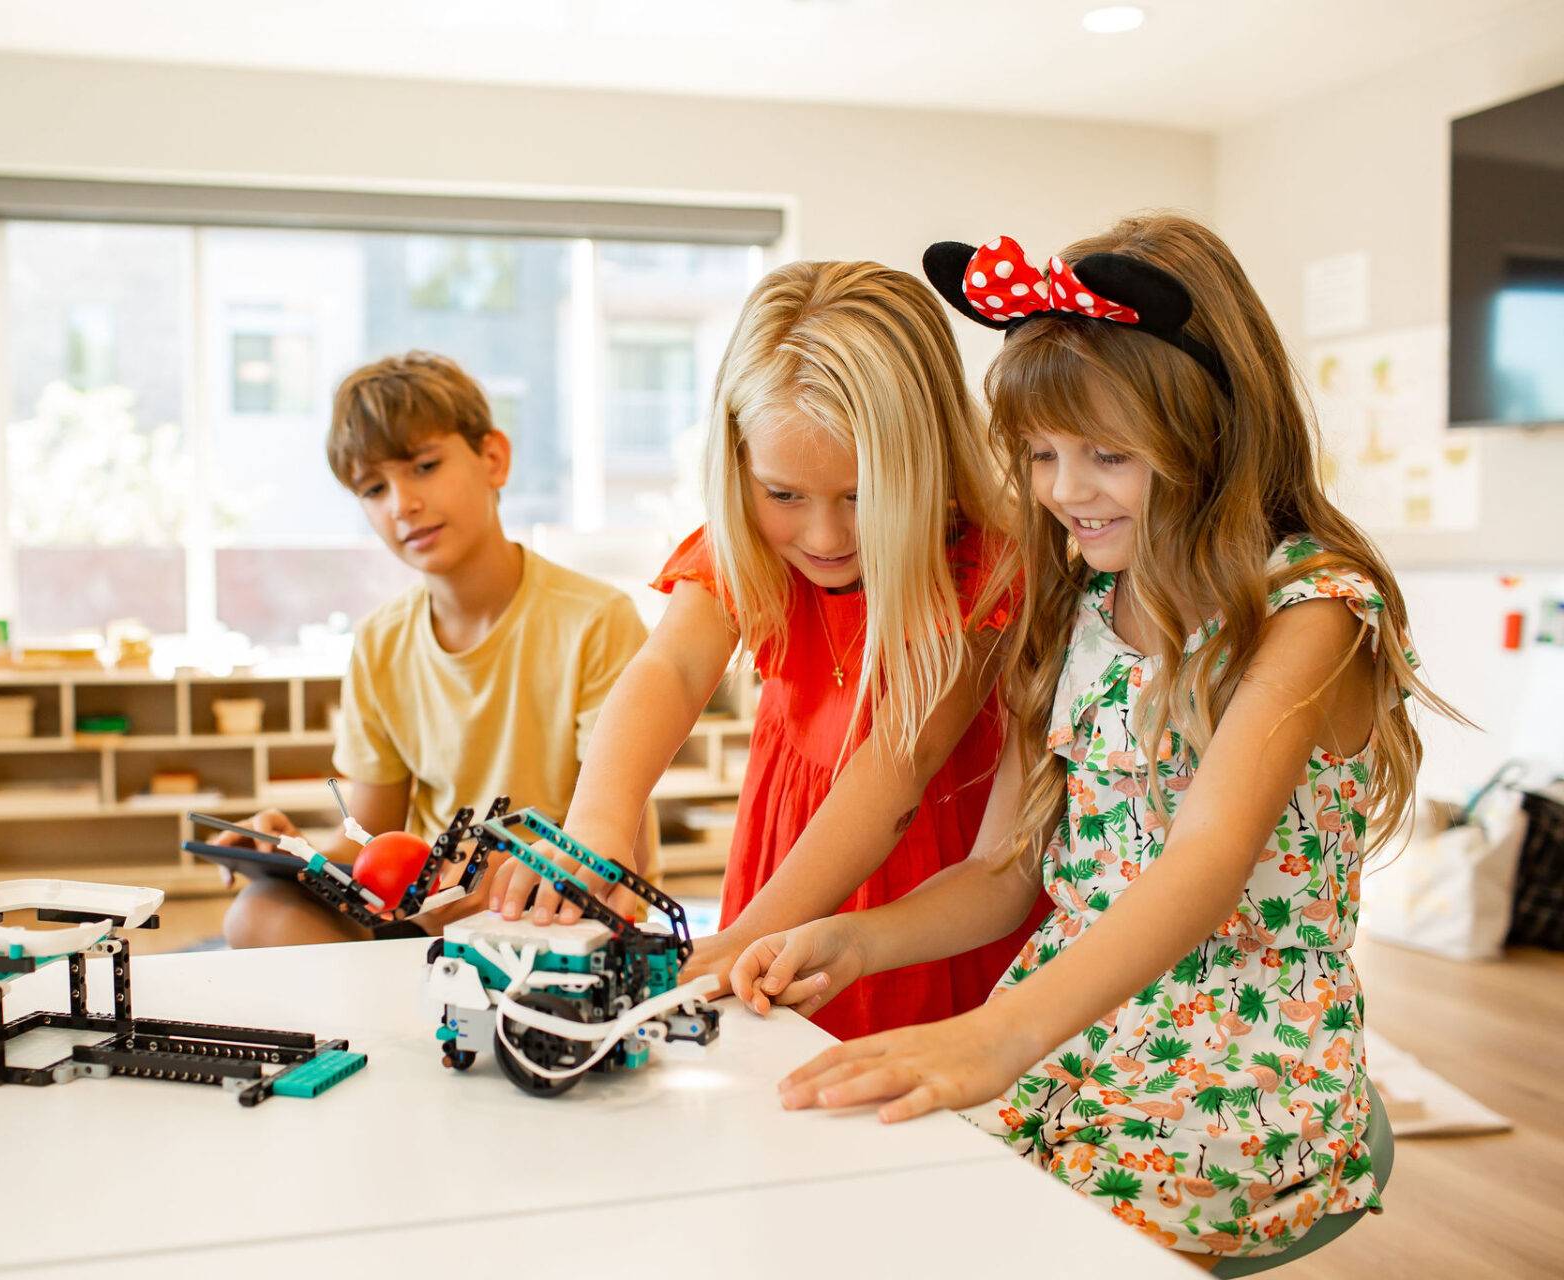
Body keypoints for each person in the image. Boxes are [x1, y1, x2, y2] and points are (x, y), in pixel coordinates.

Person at [736, 215, 1460, 1263]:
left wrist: (998, 1032)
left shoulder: (1313, 611)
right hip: (1070, 1037)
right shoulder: (1079, 606)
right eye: (1040, 454)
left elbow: (1205, 864)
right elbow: (1002, 869)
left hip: (1243, 1069)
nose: (1065, 489)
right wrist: (860, 937)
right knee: (877, 1208)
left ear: (1210, 427)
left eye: (1107, 454)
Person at [493, 260, 1042, 1040]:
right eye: (785, 494)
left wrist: (748, 935)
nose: (823, 538)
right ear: (738, 461)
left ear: (932, 461)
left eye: (861, 497)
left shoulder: (979, 573)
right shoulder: (748, 539)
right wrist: (597, 826)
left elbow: (896, 769)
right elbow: (671, 669)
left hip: (913, 904)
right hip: (783, 861)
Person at [219, 351, 648, 947]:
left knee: (493, 883)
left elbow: (626, 842)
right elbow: (372, 839)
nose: (401, 504)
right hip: (423, 910)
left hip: (550, 908)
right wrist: (299, 853)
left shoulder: (597, 621)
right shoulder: (380, 642)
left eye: (423, 466)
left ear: (493, 459)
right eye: (373, 488)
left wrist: (490, 877)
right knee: (257, 911)